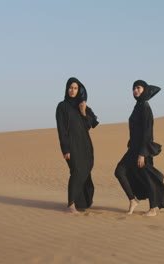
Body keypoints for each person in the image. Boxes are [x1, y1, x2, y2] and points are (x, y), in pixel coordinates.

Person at [114, 80, 164, 216]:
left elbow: (147, 132)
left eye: (138, 88)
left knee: (147, 177)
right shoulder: (138, 105)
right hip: (133, 149)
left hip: (142, 150)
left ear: (145, 89)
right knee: (119, 172)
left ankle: (153, 209)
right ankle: (133, 200)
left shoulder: (145, 107)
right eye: (134, 88)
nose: (135, 91)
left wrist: (142, 153)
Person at [56, 77, 99, 214]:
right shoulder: (62, 106)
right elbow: (61, 129)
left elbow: (90, 125)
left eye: (75, 88)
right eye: (70, 87)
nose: (72, 90)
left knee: (85, 171)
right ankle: (71, 205)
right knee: (76, 172)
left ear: (79, 90)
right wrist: (65, 148)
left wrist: (83, 111)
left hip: (85, 145)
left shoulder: (83, 105)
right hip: (72, 145)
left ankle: (83, 202)